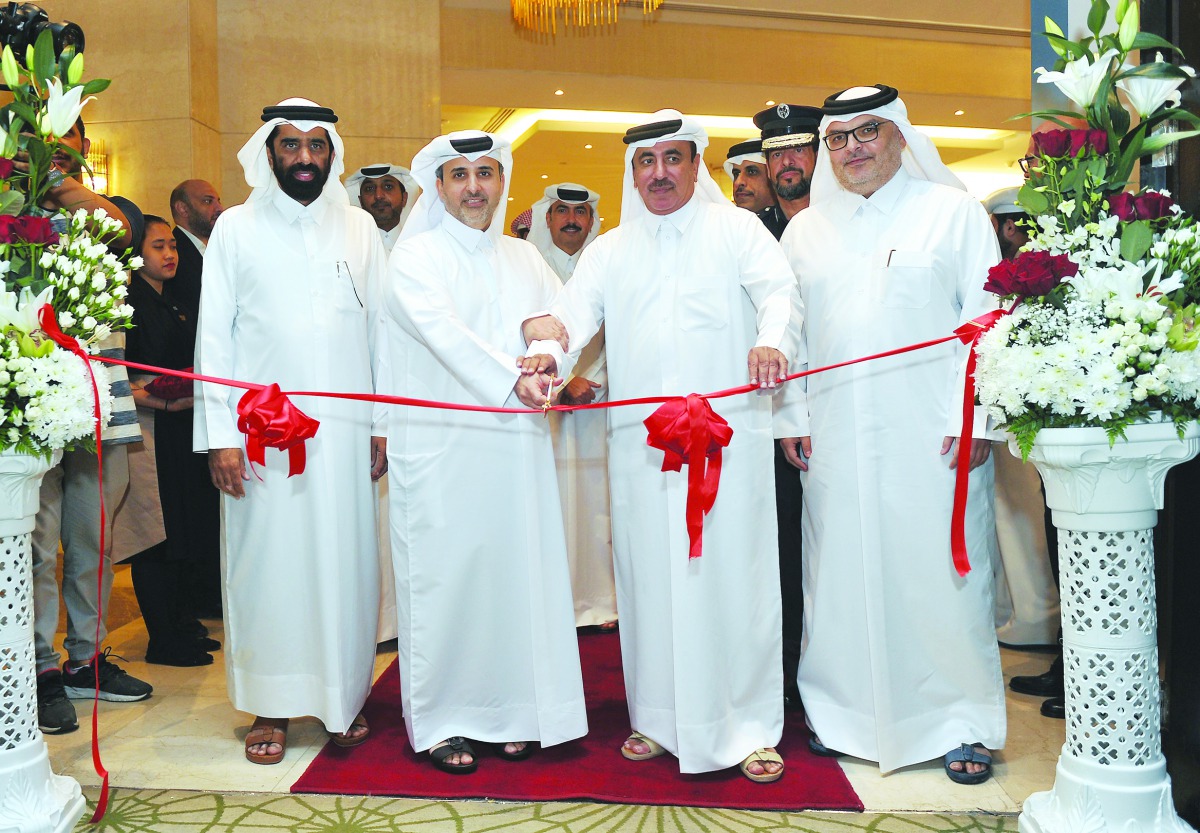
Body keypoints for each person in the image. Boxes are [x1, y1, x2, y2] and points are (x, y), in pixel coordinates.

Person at [523, 110, 803, 783]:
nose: (659, 173)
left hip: (725, 442)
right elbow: (571, 317)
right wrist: (545, 355)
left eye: (672, 159)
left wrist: (771, 342)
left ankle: (749, 727)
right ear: (633, 172)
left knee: (732, 576)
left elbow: (781, 293)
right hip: (642, 449)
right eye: (646, 162)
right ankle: (656, 716)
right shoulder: (611, 249)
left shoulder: (736, 230)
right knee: (648, 576)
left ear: (695, 164)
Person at [778, 84, 1004, 785]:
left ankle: (961, 721)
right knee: (836, 575)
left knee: (941, 577)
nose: (853, 149)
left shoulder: (953, 213)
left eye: (867, 132)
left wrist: (976, 417)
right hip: (835, 436)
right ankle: (841, 714)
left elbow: (988, 316)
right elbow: (790, 333)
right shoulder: (804, 231)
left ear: (900, 136)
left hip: (933, 434)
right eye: (838, 138)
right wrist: (791, 415)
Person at [380, 131, 587, 775]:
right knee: (447, 581)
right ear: (439, 186)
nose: (475, 187)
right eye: (460, 174)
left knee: (514, 576)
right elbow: (443, 332)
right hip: (442, 451)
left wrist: (547, 359)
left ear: (502, 182)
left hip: (517, 447)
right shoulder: (415, 256)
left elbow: (563, 325)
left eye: (487, 173)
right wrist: (511, 375)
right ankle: (444, 721)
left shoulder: (525, 258)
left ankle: (513, 714)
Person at [194, 98, 387, 765]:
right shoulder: (235, 229)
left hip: (346, 435)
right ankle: (271, 704)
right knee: (267, 567)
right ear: (269, 152)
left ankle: (342, 699)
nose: (304, 158)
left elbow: (381, 332)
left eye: (316, 145)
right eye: (290, 145)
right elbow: (213, 338)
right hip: (261, 438)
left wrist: (382, 424)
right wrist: (220, 434)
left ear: (332, 153)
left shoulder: (360, 227)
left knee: (343, 564)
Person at [27, 117, 152, 736]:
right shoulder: (10, 212)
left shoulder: (102, 208)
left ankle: (86, 659)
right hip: (28, 400)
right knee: (32, 543)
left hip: (99, 398)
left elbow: (120, 230)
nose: (54, 149)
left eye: (65, 139)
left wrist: (56, 180)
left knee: (91, 539)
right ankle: (37, 667)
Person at [122, 215, 221, 666]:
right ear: (136, 254)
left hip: (182, 422)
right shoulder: (126, 302)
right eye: (158, 246)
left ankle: (182, 622)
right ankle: (162, 637)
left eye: (173, 246)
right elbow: (117, 375)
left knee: (185, 524)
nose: (169, 254)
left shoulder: (175, 299)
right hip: (150, 428)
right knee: (157, 532)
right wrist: (160, 401)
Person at [528, 182, 616, 629]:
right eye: (562, 211)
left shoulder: (606, 263)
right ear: (547, 218)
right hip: (540, 406)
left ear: (591, 220)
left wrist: (591, 380)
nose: (571, 220)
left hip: (596, 403)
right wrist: (562, 383)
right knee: (547, 500)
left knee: (594, 502)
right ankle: (548, 601)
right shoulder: (528, 265)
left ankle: (596, 600)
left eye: (580, 212)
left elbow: (621, 333)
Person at [982, 186, 1060, 652]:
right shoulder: (1043, 271)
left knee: (1018, 511)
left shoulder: (1020, 280)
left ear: (1008, 227)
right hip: (1024, 413)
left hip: (1016, 416)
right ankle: (1021, 612)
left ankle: (1035, 616)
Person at [753, 104, 822, 239]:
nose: (786, 161)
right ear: (768, 168)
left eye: (798, 150)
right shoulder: (756, 232)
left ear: (818, 158)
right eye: (777, 154)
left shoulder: (840, 222)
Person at [167, 180, 224, 318]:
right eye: (208, 201)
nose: (220, 209)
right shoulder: (173, 256)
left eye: (218, 201)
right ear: (183, 209)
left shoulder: (220, 248)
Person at [344, 163, 418, 252]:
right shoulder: (348, 247)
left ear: (404, 198)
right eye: (369, 188)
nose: (378, 195)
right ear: (361, 201)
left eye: (388, 187)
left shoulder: (420, 245)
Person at [723, 140, 777, 214]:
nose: (738, 182)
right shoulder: (725, 220)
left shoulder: (791, 220)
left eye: (751, 172)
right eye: (736, 174)